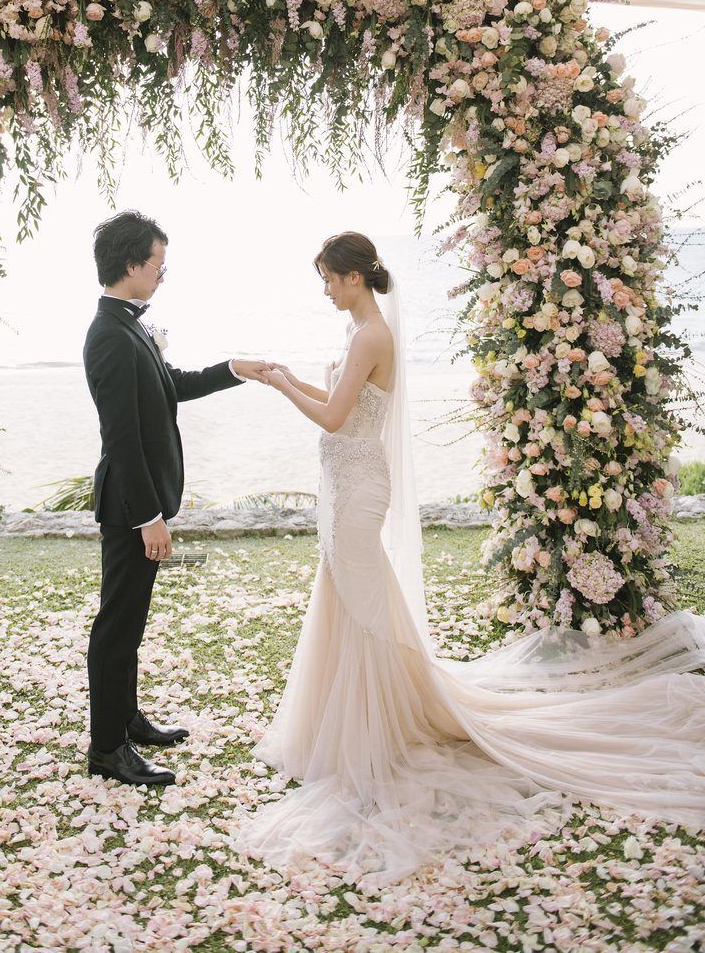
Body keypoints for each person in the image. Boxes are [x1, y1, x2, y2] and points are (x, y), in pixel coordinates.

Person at [233, 231, 705, 883]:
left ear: (353, 277)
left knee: (364, 600)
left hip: (360, 489)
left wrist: (283, 382)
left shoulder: (371, 336)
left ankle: (380, 725)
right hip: (347, 486)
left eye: (328, 278)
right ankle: (345, 725)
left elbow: (338, 417)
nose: (325, 290)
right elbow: (339, 411)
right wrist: (285, 378)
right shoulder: (362, 333)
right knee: (347, 596)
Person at [83, 209, 273, 788]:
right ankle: (107, 747)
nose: (164, 274)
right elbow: (121, 438)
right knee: (117, 625)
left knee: (132, 622)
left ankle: (126, 717)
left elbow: (173, 387)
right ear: (133, 264)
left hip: (143, 502)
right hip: (129, 507)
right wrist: (149, 519)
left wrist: (233, 369)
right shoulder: (110, 337)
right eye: (160, 265)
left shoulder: (132, 325)